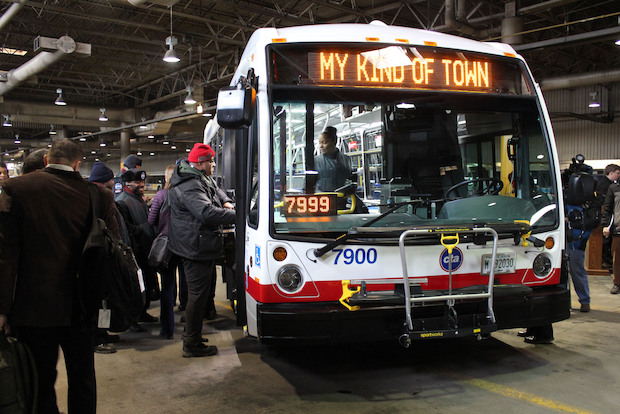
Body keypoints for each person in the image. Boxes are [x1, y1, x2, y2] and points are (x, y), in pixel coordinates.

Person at [0, 139, 118, 413]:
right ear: (78, 164)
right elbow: (111, 249)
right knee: (83, 377)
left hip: (32, 308)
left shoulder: (16, 190)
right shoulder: (97, 195)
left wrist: (3, 308)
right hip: (82, 304)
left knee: (41, 380)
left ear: (45, 160)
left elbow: (6, 256)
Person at [168, 143, 235, 358]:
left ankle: (193, 335)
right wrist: (242, 215)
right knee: (197, 297)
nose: (214, 164)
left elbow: (217, 191)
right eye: (211, 161)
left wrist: (226, 202)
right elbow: (206, 212)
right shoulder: (189, 185)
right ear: (199, 163)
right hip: (194, 247)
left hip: (198, 244)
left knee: (200, 294)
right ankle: (191, 343)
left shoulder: (200, 178)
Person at [88, 161, 130, 353]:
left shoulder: (93, 195)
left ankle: (102, 333)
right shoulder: (100, 197)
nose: (113, 185)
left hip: (102, 254)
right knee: (99, 299)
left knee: (104, 298)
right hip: (100, 256)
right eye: (110, 183)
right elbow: (111, 227)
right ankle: (97, 337)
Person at [116, 167, 159, 331]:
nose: (142, 184)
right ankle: (132, 320)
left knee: (147, 284)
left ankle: (142, 313)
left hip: (145, 249)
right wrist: (143, 229)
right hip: (136, 251)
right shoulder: (122, 202)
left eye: (142, 181)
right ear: (127, 183)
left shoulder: (138, 199)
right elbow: (126, 228)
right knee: (136, 288)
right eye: (138, 182)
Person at [147, 164, 186, 339]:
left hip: (165, 246)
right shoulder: (185, 195)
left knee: (167, 286)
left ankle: (167, 329)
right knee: (189, 284)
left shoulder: (161, 195)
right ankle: (190, 325)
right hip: (185, 245)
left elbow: (151, 220)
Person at [314, 126, 352, 192]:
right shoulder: (315, 161)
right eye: (320, 143)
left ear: (334, 141)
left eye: (324, 142)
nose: (321, 146)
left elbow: (349, 180)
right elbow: (307, 186)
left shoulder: (346, 159)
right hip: (323, 200)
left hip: (342, 199)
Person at [597, 164, 620, 269]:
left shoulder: (610, 185)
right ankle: (605, 260)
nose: (618, 176)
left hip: (610, 217)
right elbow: (606, 204)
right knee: (606, 241)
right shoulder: (607, 186)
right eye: (617, 173)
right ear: (611, 173)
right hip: (608, 217)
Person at [602, 178, 620, 294]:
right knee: (617, 259)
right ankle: (617, 283)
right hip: (618, 229)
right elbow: (607, 208)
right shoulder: (614, 188)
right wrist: (605, 225)